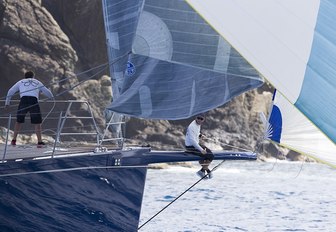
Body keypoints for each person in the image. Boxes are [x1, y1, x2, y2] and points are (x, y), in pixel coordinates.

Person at [5, 71, 54, 147]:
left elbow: (11, 91)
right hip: (33, 101)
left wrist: (7, 103)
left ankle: (14, 140)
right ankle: (40, 141)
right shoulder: (37, 82)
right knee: (37, 122)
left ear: (25, 76)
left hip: (23, 101)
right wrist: (52, 98)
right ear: (33, 77)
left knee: (19, 121)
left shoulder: (20, 82)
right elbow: (47, 91)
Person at [185, 114, 214, 178]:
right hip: (191, 147)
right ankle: (203, 171)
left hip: (195, 145)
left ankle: (203, 171)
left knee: (206, 156)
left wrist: (200, 135)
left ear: (203, 120)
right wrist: (201, 150)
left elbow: (196, 133)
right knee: (210, 156)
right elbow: (192, 141)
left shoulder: (197, 124)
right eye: (198, 118)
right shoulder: (191, 127)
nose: (199, 120)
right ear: (196, 118)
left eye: (201, 119)